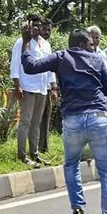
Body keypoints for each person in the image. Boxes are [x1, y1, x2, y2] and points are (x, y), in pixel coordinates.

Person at [21, 28, 107, 214]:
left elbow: (30, 67)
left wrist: (25, 42)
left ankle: (78, 209)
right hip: (98, 117)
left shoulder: (61, 56)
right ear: (87, 43)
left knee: (71, 164)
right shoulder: (97, 59)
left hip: (73, 119)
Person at [10, 14, 56, 168]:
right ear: (28, 25)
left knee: (36, 123)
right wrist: (17, 85)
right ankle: (21, 155)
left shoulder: (45, 44)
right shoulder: (22, 42)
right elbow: (15, 64)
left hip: (42, 88)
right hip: (27, 87)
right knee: (25, 122)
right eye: (33, 25)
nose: (36, 28)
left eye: (38, 25)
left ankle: (35, 154)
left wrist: (53, 86)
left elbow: (50, 67)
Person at [38, 18, 58, 155]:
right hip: (34, 88)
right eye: (44, 29)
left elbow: (51, 69)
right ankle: (35, 149)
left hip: (46, 87)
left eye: (49, 30)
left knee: (46, 118)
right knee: (35, 120)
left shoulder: (47, 46)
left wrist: (54, 87)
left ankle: (44, 148)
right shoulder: (32, 44)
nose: (46, 32)